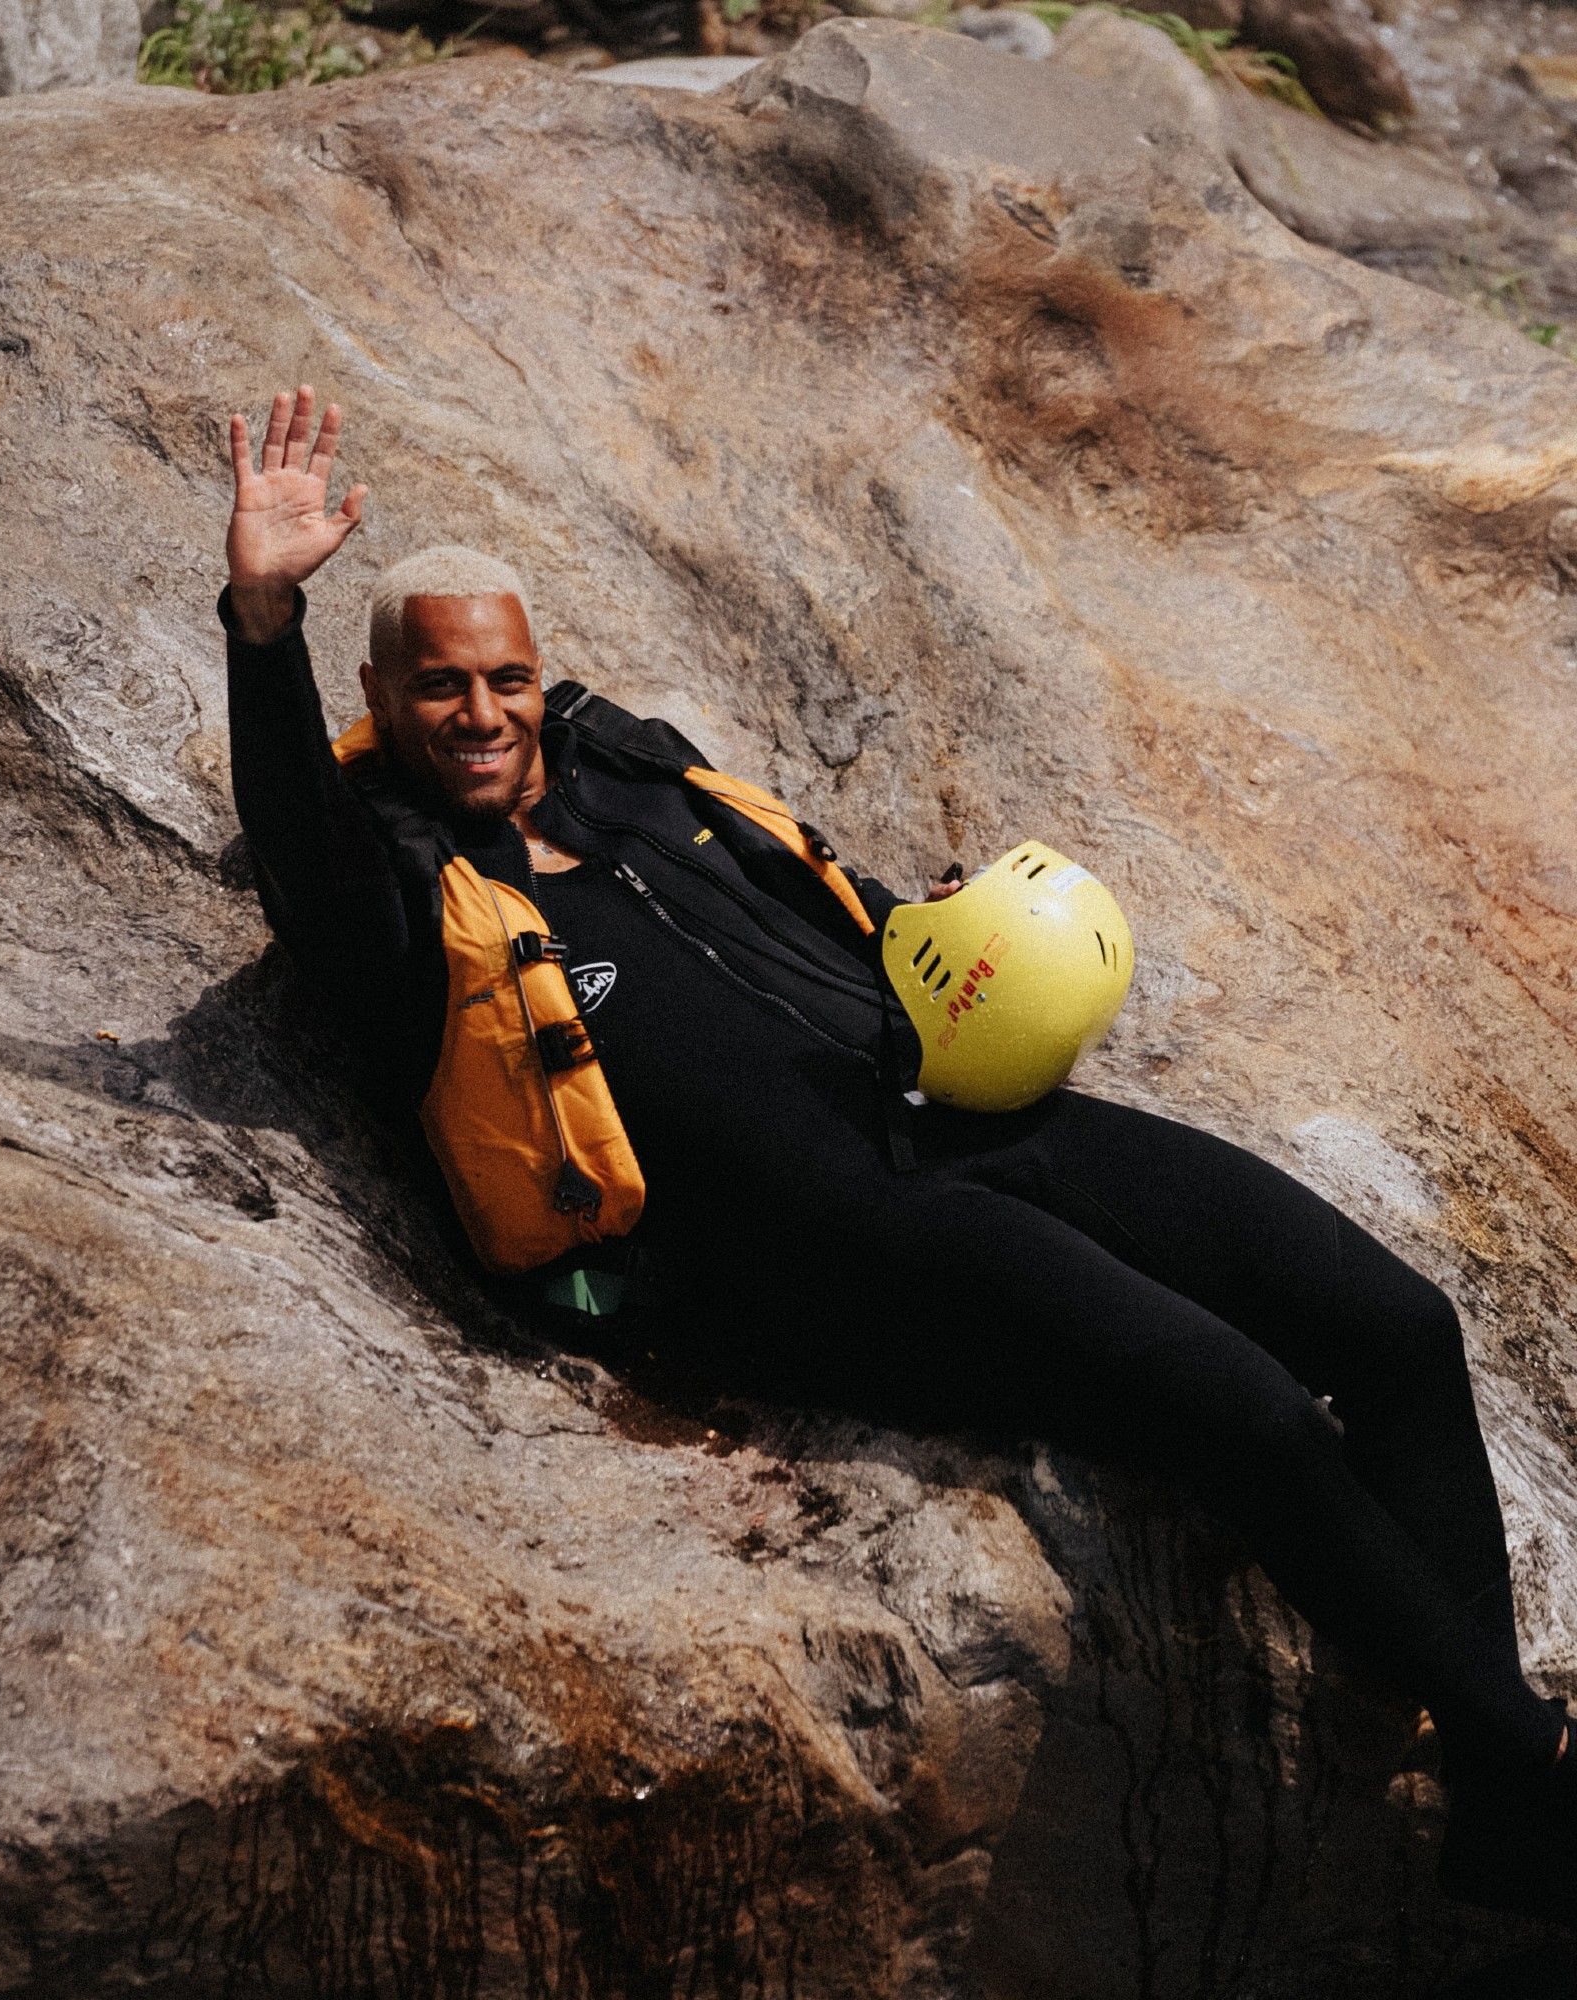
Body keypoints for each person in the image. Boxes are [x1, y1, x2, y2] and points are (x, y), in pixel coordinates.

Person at [224, 384, 1577, 1927]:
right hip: (835, 1241)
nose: (482, 715)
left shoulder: (630, 772)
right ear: (384, 693)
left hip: (968, 1109)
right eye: (443, 686)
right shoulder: (396, 885)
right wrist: (260, 617)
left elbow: (826, 901)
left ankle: (1503, 1812)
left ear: (542, 676)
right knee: (1250, 1415)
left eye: (507, 677)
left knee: (1403, 1328)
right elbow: (301, 854)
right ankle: (1533, 1759)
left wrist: (936, 926)